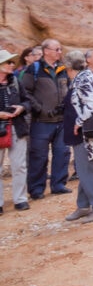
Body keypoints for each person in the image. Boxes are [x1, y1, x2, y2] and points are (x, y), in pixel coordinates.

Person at [21, 38, 72, 199]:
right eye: (56, 49)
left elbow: (69, 89)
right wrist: (40, 109)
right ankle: (36, 189)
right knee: (38, 156)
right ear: (46, 51)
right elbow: (25, 93)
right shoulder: (34, 69)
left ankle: (58, 184)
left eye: (60, 49)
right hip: (41, 121)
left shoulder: (63, 69)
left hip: (61, 120)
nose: (59, 52)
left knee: (62, 153)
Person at [61, 49, 93, 224]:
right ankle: (83, 206)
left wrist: (79, 121)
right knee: (84, 169)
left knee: (87, 170)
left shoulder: (82, 79)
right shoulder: (83, 77)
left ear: (68, 65)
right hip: (84, 133)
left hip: (85, 134)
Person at [0, 49, 31, 213]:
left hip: (16, 127)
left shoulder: (16, 82)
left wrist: (21, 107)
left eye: (12, 62)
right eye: (8, 62)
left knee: (19, 165)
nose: (12, 65)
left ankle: (20, 199)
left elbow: (27, 101)